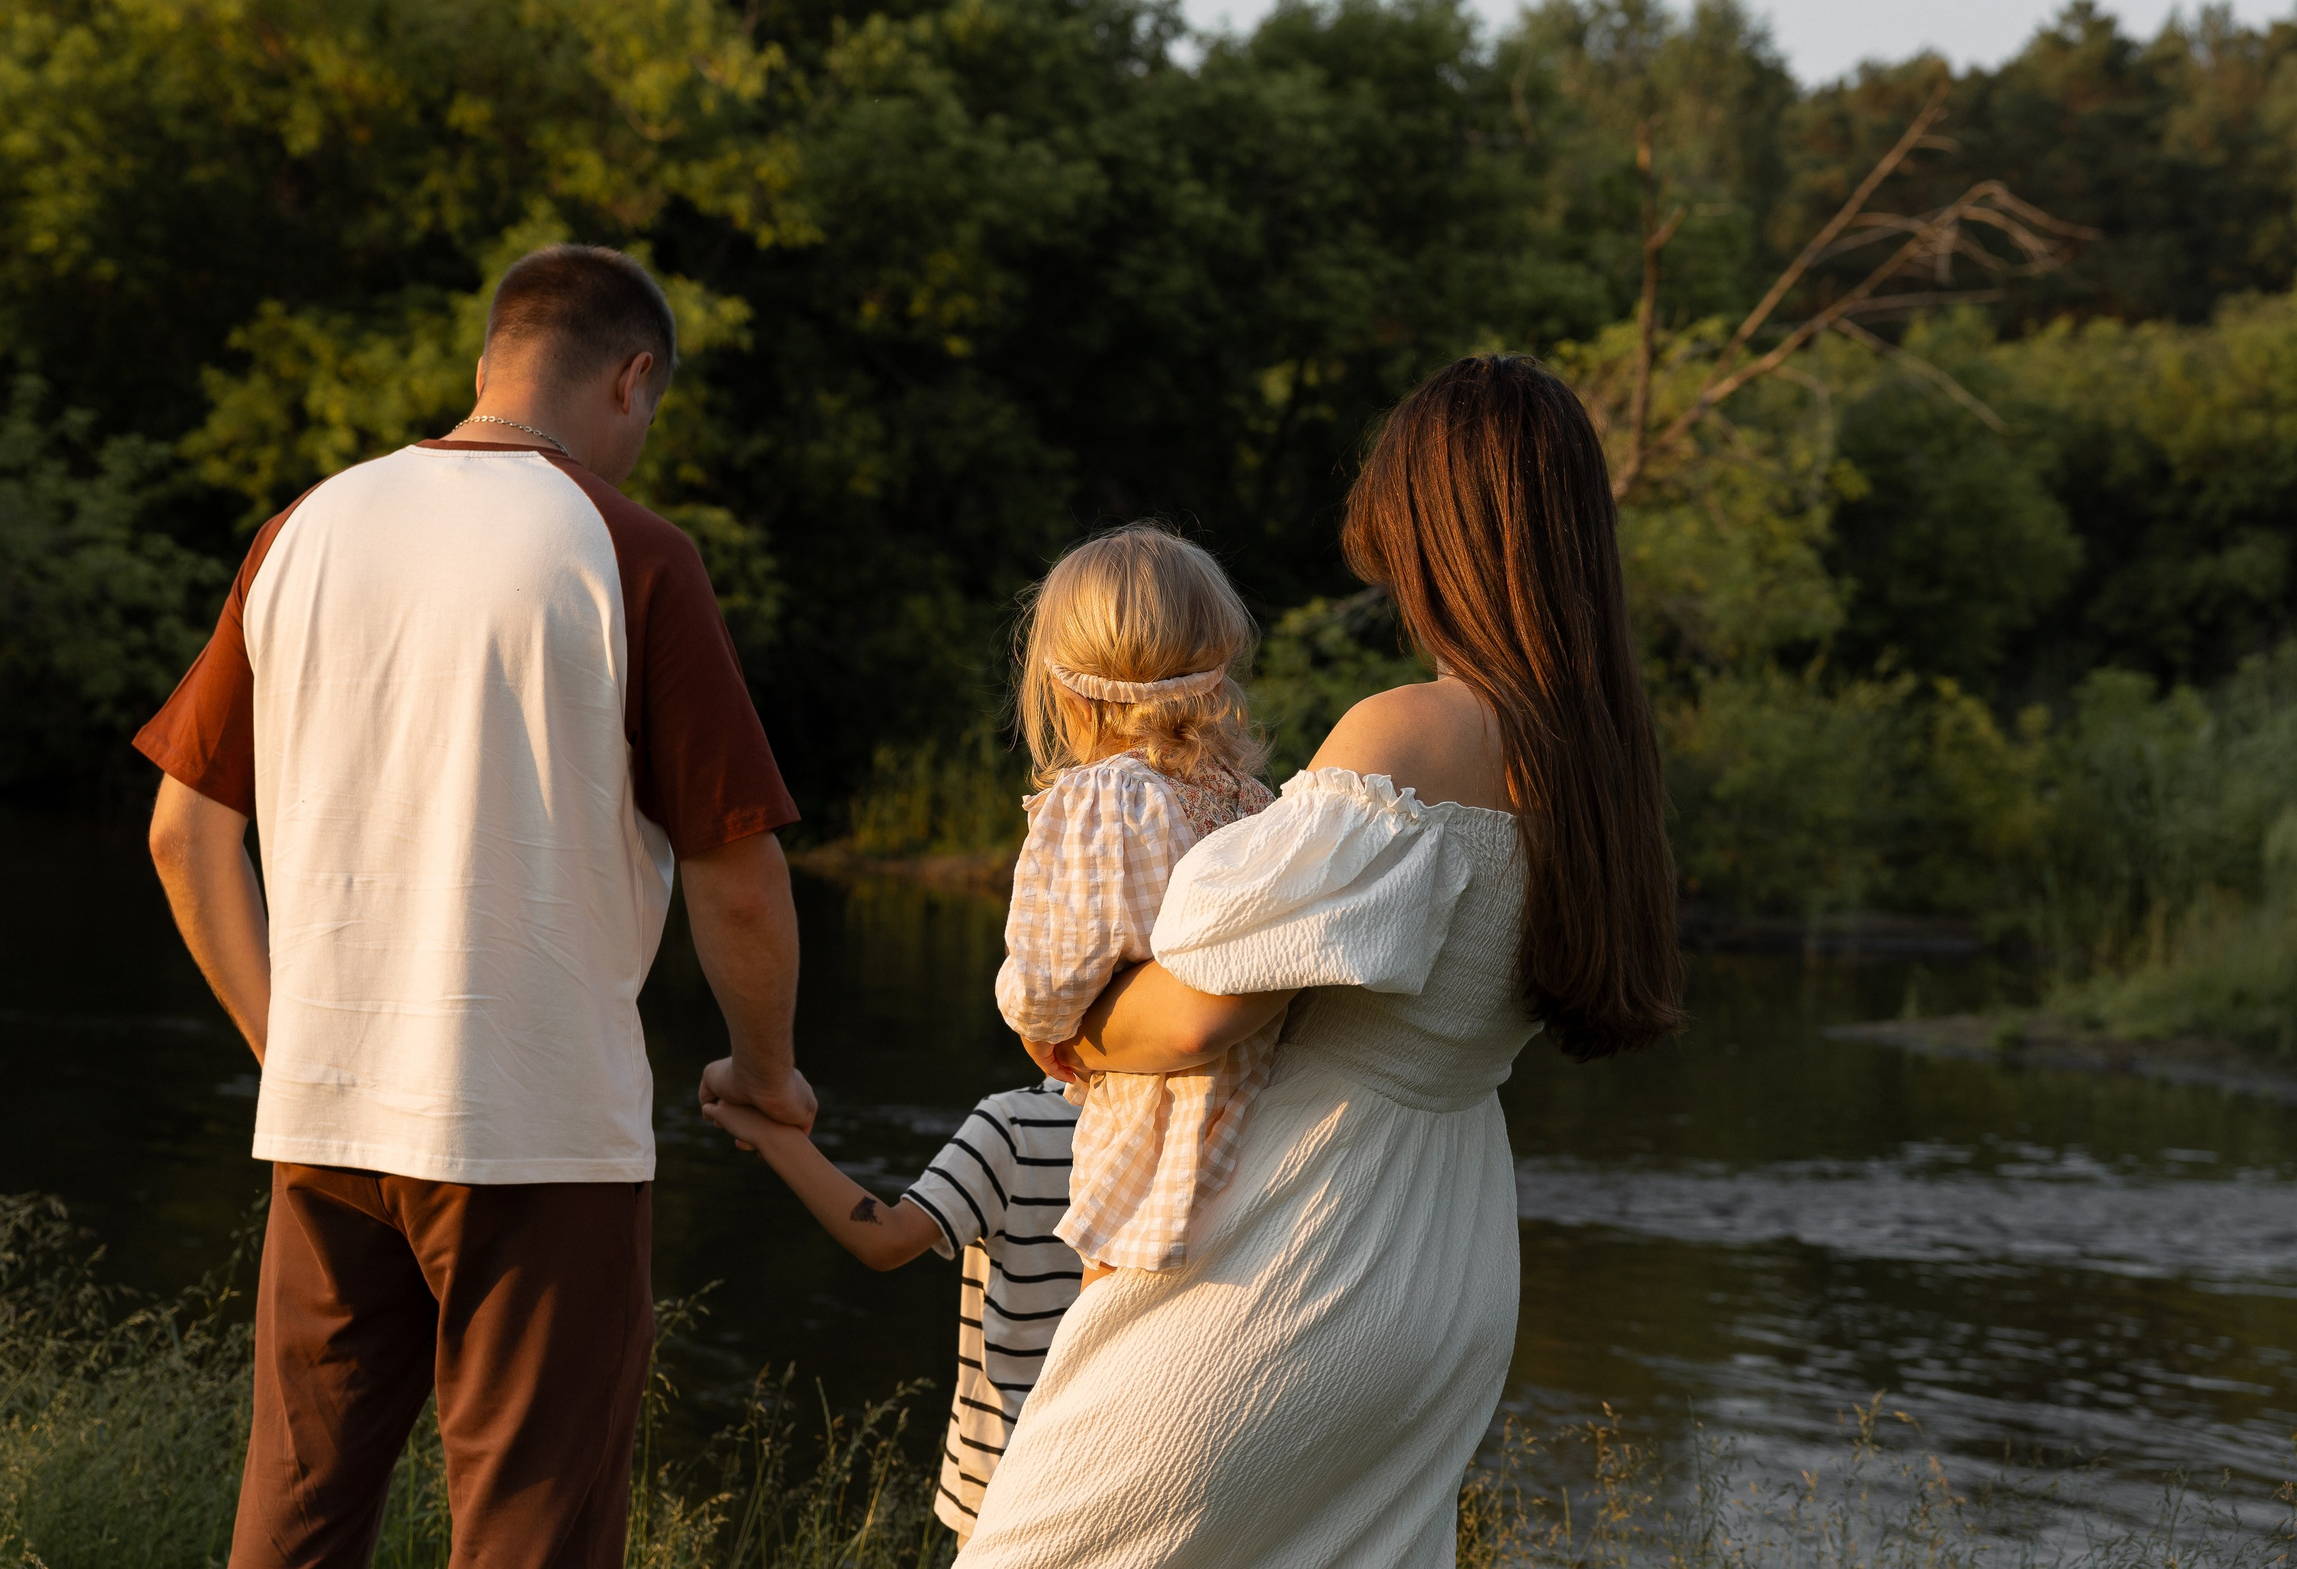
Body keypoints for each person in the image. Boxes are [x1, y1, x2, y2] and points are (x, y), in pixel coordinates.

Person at [136, 244, 815, 1569]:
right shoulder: (630, 553)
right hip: (540, 1128)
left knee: (295, 1520)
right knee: (532, 1534)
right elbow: (739, 875)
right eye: (651, 413)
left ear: (494, 356)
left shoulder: (306, 527)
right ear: (631, 379)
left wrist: (299, 1048)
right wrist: (772, 1073)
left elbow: (186, 833)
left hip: (330, 1122)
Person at [959, 354, 1686, 1567]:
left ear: (1439, 535)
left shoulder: (1407, 732)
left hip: (1299, 1245)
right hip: (1449, 1256)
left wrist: (1066, 1031)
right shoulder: (1596, 759)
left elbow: (1197, 1007)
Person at [992, 525, 1276, 1283]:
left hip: (1149, 1136)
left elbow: (1052, 973)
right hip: (1254, 1125)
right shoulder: (1251, 802)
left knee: (1104, 1353)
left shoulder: (1104, 799)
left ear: (1062, 688)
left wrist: (1040, 1030)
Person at [699, 1078, 1082, 1540]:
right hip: (1149, 1458)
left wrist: (772, 1135)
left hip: (1014, 1473)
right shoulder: (1181, 1118)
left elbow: (887, 1237)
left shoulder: (1015, 1126)